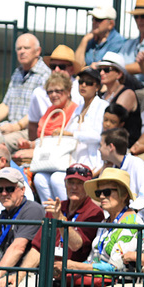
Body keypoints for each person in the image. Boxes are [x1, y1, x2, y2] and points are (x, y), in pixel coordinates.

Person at [9, 164, 104, 287]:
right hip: (53, 275)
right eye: (71, 182)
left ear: (87, 186)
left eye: (80, 183)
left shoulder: (94, 212)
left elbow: (77, 245)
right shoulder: (57, 207)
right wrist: (21, 273)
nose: (75, 187)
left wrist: (61, 219)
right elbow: (38, 247)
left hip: (77, 278)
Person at [49, 167, 141, 287]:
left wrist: (73, 265)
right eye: (99, 193)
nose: (102, 197)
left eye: (107, 192)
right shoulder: (106, 221)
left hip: (115, 285)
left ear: (124, 194)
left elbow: (114, 267)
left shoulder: (132, 221)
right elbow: (94, 257)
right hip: (95, 282)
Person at [33, 67, 108, 202]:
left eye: (89, 83)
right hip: (72, 160)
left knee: (57, 179)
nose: (84, 85)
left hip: (91, 161)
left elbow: (98, 136)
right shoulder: (79, 108)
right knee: (39, 178)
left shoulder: (102, 106)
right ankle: (51, 216)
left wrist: (72, 134)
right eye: (81, 82)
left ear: (97, 86)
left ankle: (66, 215)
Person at [0, 33, 52, 152]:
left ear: (38, 51)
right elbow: (6, 105)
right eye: (19, 48)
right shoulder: (17, 73)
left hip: (30, 131)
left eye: (26, 48)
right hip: (11, 127)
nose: (22, 51)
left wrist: (15, 127)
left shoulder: (45, 75)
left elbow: (38, 112)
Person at [99, 128, 144, 197]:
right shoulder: (111, 167)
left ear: (110, 147)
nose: (99, 149)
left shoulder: (137, 164)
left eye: (101, 145)